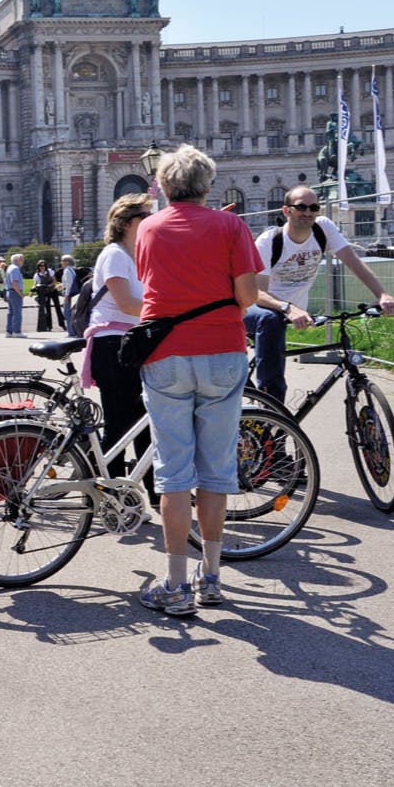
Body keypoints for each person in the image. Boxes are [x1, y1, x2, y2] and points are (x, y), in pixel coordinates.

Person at [135, 144, 262, 616]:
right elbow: (246, 296)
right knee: (216, 471)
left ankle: (175, 586)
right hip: (223, 352)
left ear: (164, 187)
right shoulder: (232, 225)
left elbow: (152, 284)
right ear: (208, 186)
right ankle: (211, 579)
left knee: (173, 474)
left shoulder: (147, 227)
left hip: (166, 355)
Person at [244, 186, 394, 402]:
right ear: (286, 210)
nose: (308, 212)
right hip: (260, 307)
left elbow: (354, 263)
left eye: (313, 207)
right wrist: (288, 307)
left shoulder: (323, 228)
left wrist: (382, 294)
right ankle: (271, 404)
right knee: (270, 320)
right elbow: (256, 292)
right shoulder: (269, 241)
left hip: (293, 311)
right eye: (301, 207)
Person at [83, 195, 155, 500]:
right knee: (120, 424)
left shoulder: (134, 254)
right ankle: (109, 494)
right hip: (113, 346)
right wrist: (167, 313)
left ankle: (152, 490)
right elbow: (126, 303)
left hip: (130, 344)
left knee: (143, 422)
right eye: (145, 217)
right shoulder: (114, 254)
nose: (152, 222)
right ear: (127, 224)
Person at [30, 259, 64, 332]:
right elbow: (35, 283)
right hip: (45, 292)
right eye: (40, 265)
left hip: (53, 290)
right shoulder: (37, 275)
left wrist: (50, 285)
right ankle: (49, 326)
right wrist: (31, 291)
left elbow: (54, 280)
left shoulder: (49, 271)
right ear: (38, 266)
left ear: (46, 266)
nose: (42, 267)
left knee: (57, 307)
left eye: (43, 265)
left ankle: (62, 324)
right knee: (47, 308)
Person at [3, 253, 25, 336]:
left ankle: (9, 331)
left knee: (10, 313)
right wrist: (21, 294)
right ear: (18, 260)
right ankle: (17, 332)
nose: (23, 261)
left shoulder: (10, 268)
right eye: (22, 259)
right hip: (15, 292)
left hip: (9, 291)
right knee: (17, 313)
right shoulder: (15, 269)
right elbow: (14, 283)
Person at [59, 255, 79, 336]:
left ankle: (71, 333)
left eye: (63, 260)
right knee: (71, 313)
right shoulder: (71, 270)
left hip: (69, 295)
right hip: (73, 294)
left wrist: (66, 296)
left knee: (67, 314)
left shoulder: (67, 270)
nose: (61, 262)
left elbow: (69, 284)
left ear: (67, 261)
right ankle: (72, 331)